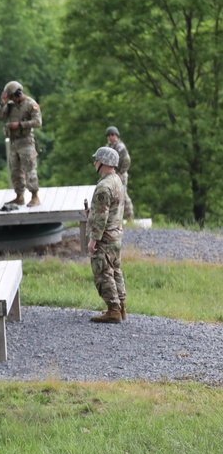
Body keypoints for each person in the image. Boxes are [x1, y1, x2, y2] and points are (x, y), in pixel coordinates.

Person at [85, 146, 127, 323]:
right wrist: (91, 214)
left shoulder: (104, 186)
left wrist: (93, 239)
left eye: (96, 160)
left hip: (105, 237)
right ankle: (121, 307)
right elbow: (110, 211)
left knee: (103, 272)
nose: (95, 162)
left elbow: (101, 217)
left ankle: (113, 310)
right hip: (116, 234)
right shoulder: (117, 180)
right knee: (115, 270)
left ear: (103, 162)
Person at [0, 81, 43, 207]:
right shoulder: (11, 105)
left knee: (30, 170)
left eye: (12, 97)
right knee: (15, 171)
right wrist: (2, 104)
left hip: (26, 141)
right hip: (14, 143)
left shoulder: (30, 104)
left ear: (18, 93)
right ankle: (19, 196)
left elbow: (38, 122)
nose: (12, 99)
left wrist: (20, 125)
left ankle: (34, 196)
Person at [105, 126, 133, 221]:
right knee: (112, 195)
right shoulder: (108, 147)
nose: (110, 137)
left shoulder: (120, 147)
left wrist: (120, 172)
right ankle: (115, 218)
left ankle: (129, 217)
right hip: (112, 174)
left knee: (123, 195)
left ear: (116, 135)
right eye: (108, 135)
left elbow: (127, 160)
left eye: (112, 135)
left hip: (121, 174)